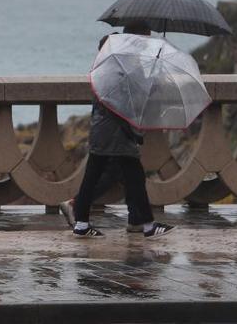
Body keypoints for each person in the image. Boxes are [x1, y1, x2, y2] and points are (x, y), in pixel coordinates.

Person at [71, 22, 176, 239]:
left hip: (105, 131)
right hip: (117, 133)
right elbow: (129, 98)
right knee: (134, 177)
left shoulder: (105, 68)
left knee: (95, 176)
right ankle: (147, 225)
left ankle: (82, 222)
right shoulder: (117, 69)